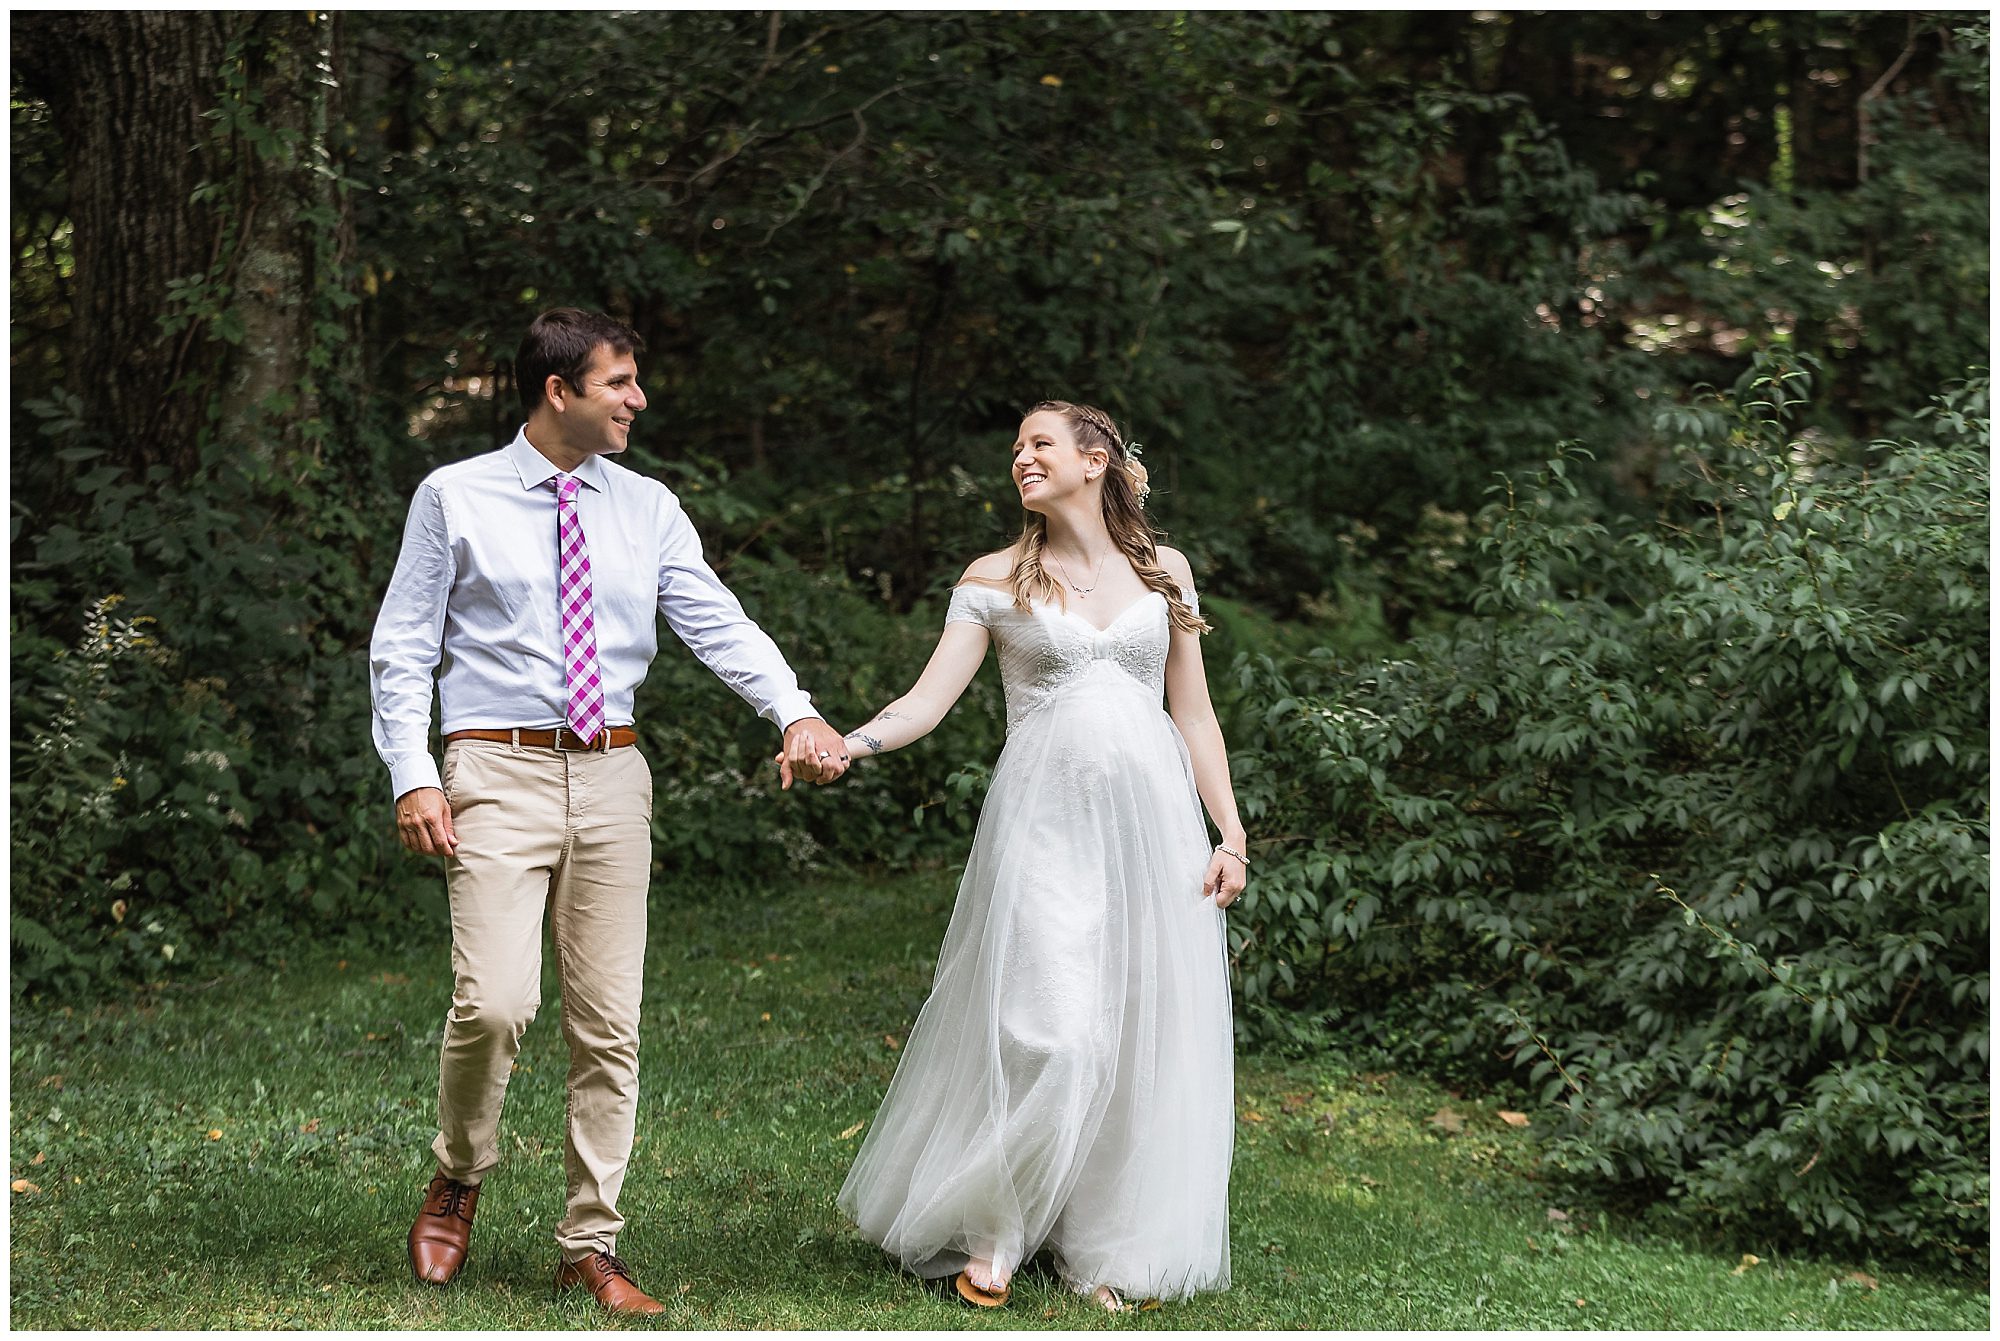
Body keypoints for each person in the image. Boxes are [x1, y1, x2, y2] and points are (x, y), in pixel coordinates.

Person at [368, 307, 851, 1315]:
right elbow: (404, 644)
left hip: (613, 776)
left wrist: (795, 711)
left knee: (607, 1024)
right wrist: (412, 772)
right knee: (495, 1004)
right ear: (559, 391)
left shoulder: (647, 507)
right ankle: (458, 1174)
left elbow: (716, 621)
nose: (637, 400)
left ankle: (588, 1242)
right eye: (619, 383)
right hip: (493, 769)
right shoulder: (453, 496)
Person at [831, 400, 1247, 1311]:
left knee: (1132, 1034)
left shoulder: (1162, 571)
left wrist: (1231, 832)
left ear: (1095, 460)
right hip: (1044, 829)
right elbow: (926, 702)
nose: (1021, 457)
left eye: (1040, 444)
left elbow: (1195, 712)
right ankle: (996, 1227)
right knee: (1051, 1029)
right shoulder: (995, 579)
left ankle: (1101, 1244)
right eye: (1015, 447)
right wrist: (849, 743)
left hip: (1153, 834)